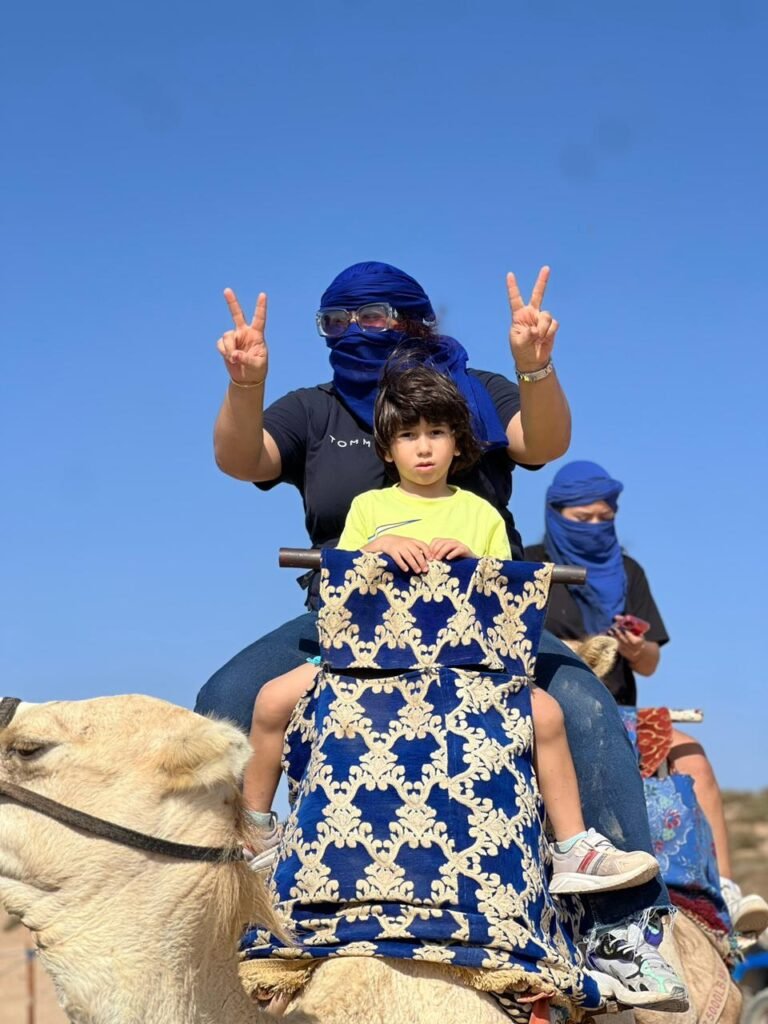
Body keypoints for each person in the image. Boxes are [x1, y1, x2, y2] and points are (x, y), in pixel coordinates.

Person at [197, 261, 687, 1008]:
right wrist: (244, 384)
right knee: (227, 698)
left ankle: (620, 930)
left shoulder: (475, 394)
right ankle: (225, 909)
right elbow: (242, 460)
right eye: (338, 321)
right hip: (353, 618)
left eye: (376, 317)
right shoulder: (314, 410)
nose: (357, 332)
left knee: (583, 710)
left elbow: (541, 441)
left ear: (416, 322)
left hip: (478, 618)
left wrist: (535, 366)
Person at [242, 361, 660, 899]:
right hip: (366, 666)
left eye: (436, 433)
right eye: (408, 435)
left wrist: (472, 563)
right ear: (386, 448)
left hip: (465, 670)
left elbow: (508, 606)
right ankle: (256, 829)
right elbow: (339, 585)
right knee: (271, 701)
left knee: (549, 714)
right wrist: (374, 550)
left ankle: (572, 844)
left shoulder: (482, 515)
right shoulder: (369, 508)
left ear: (458, 445)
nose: (423, 448)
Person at [525, 459, 768, 936]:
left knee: (691, 756)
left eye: (603, 517)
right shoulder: (531, 565)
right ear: (557, 513)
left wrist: (636, 649)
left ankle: (725, 889)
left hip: (619, 711)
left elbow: (652, 661)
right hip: (550, 707)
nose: (595, 527)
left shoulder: (626, 571)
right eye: (582, 518)